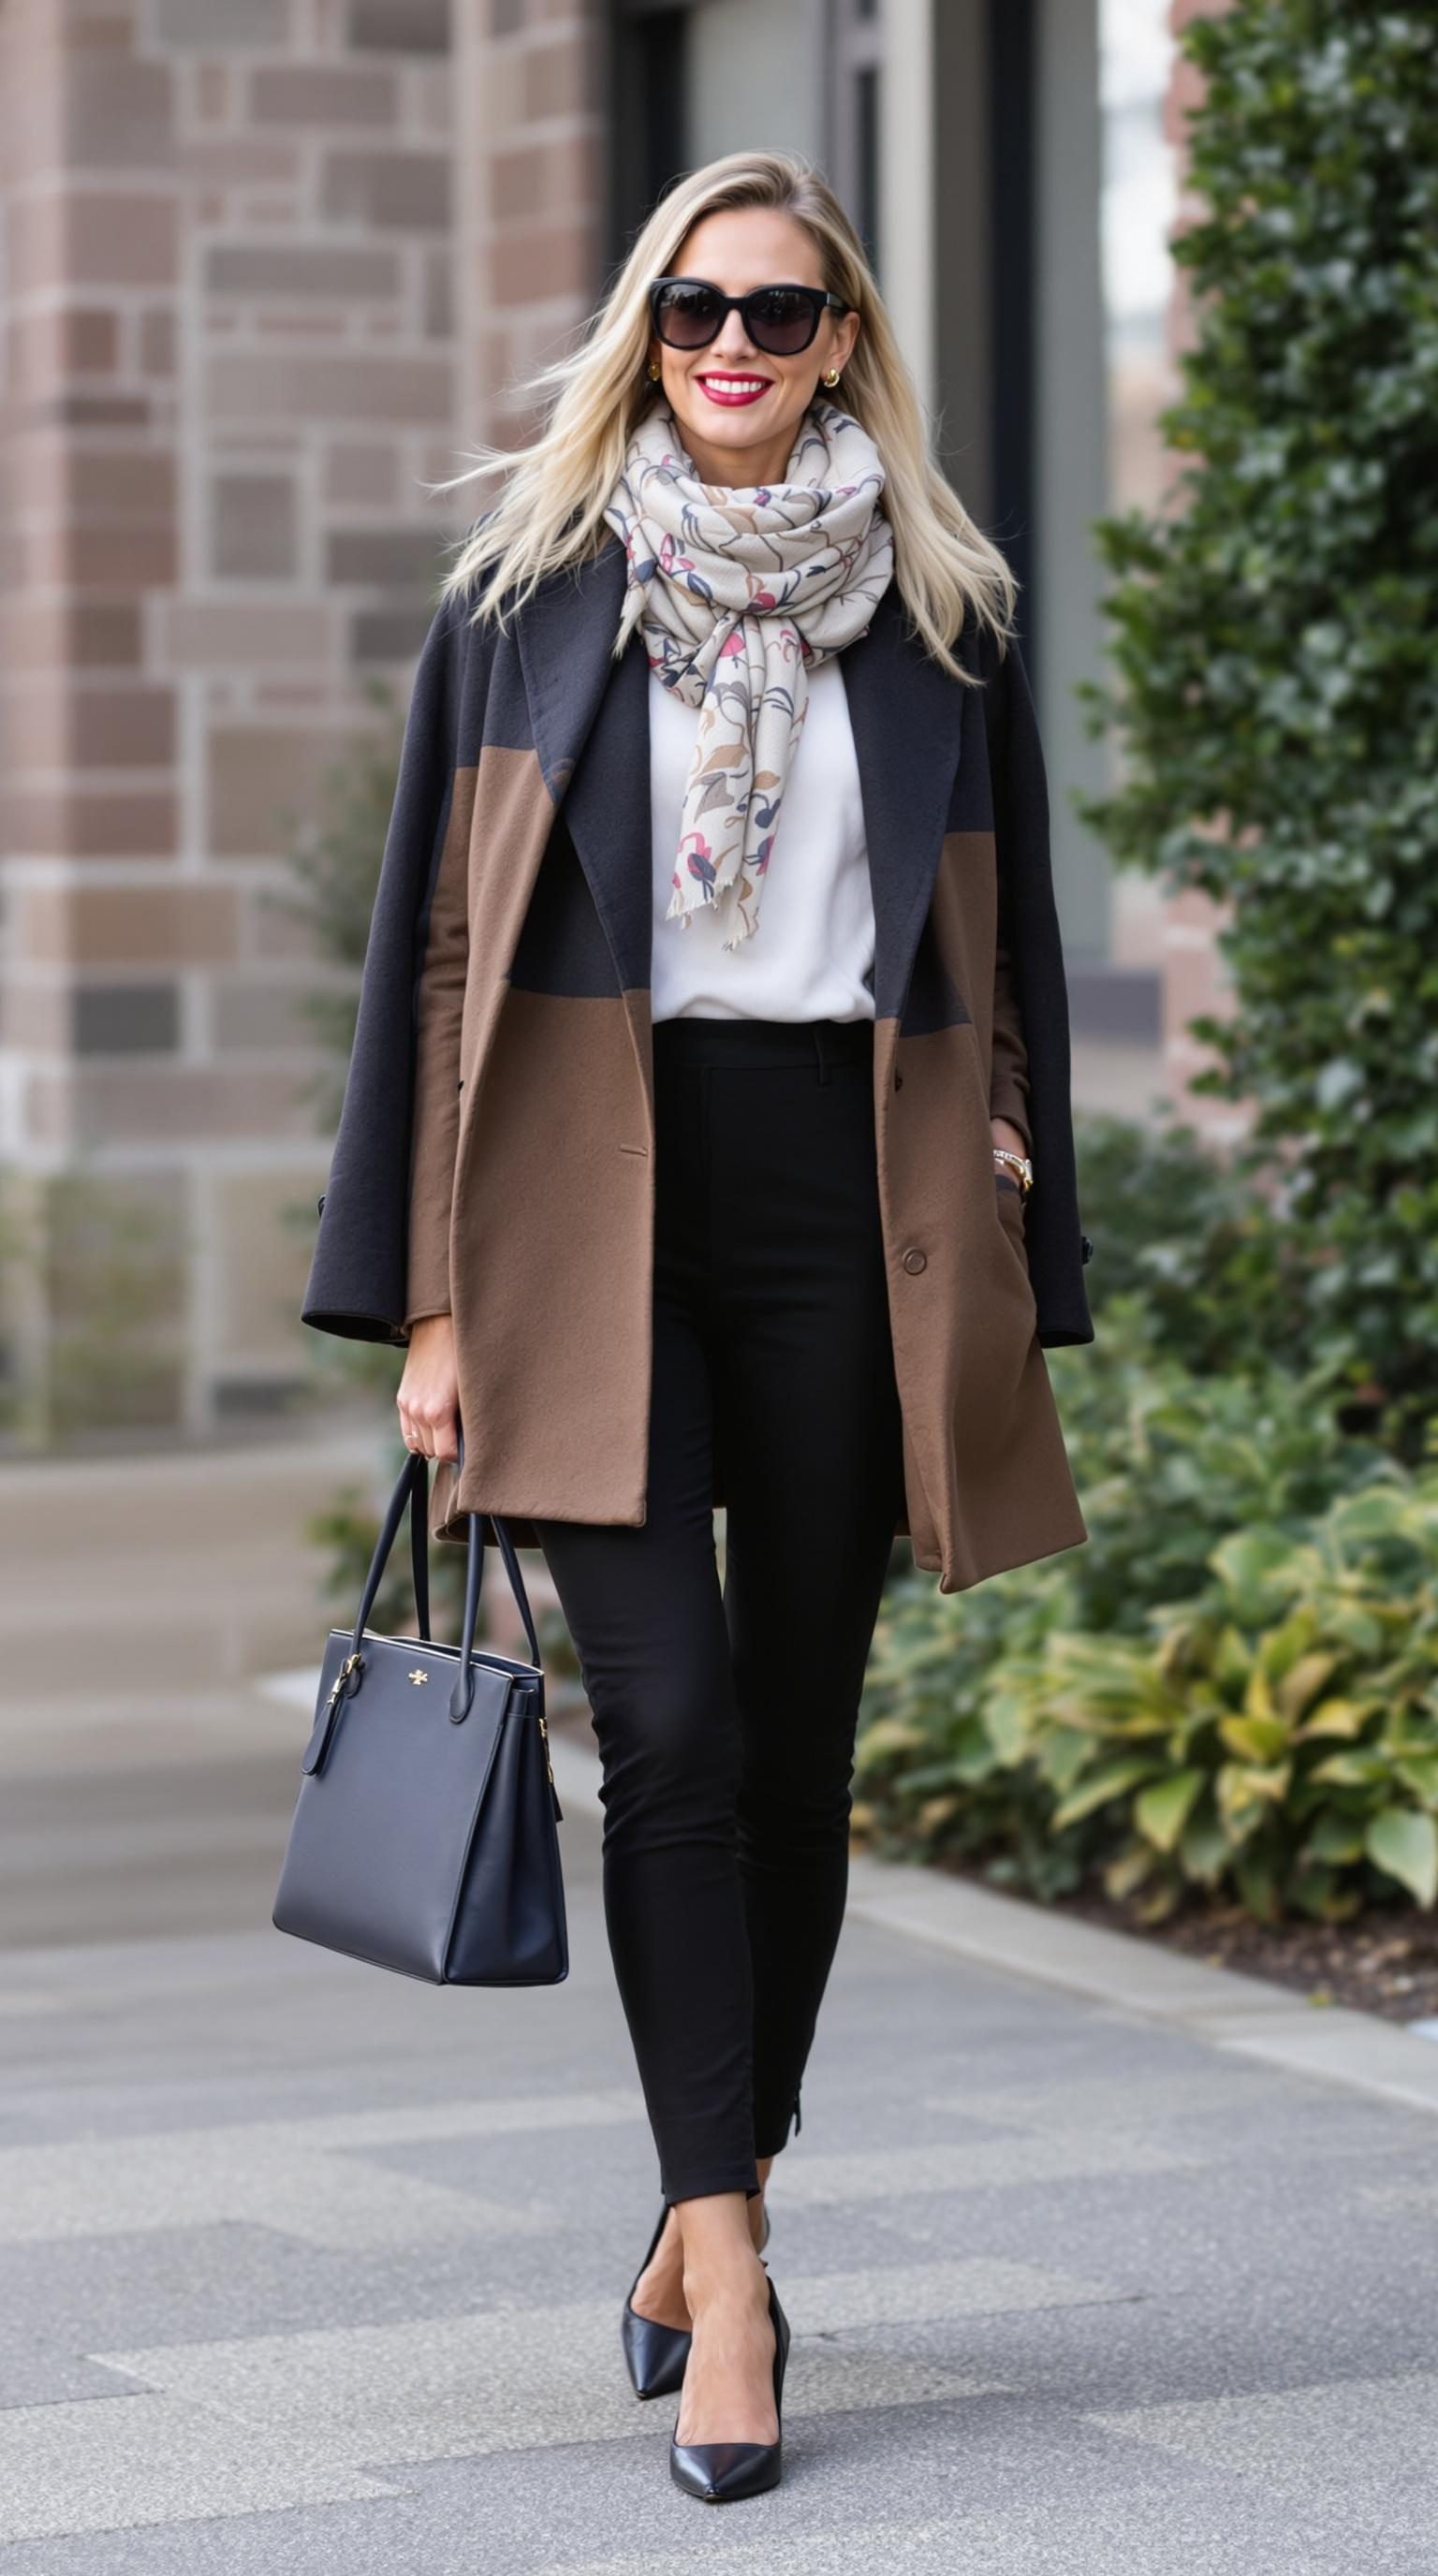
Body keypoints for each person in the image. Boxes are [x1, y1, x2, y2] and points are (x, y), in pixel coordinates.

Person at [301, 148, 1093, 2505]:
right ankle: (732, 2270)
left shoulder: (939, 619)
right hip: (584, 1211)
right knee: (657, 1732)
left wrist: (1031, 1266)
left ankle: (687, 2207)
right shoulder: (530, 603)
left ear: (843, 337)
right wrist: (426, 1299)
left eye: (779, 312)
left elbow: (1012, 966)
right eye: (691, 312)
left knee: (795, 1747)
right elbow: (431, 970)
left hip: (852, 1216)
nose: (731, 350)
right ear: (645, 334)